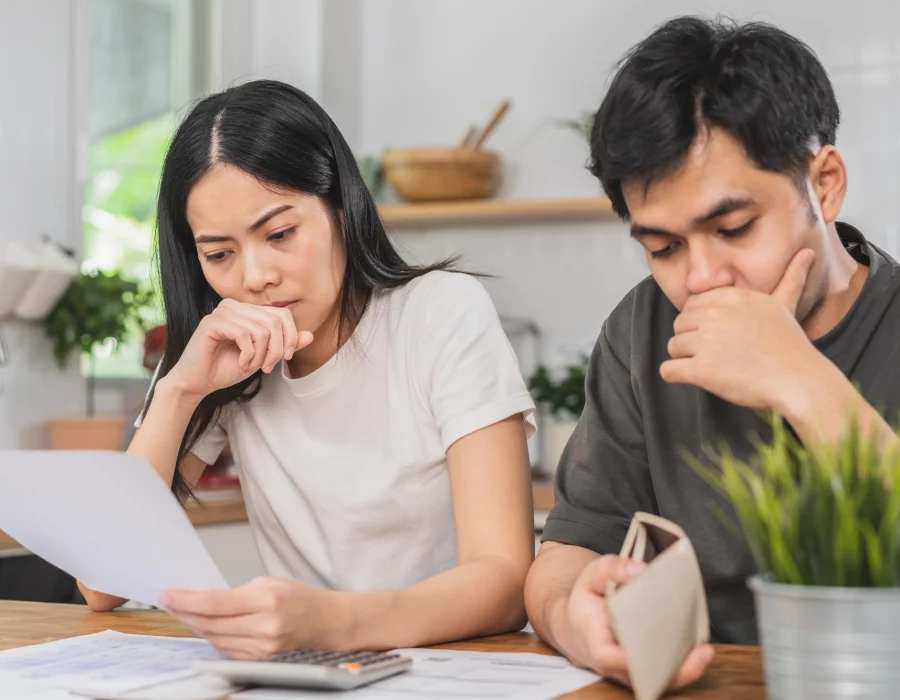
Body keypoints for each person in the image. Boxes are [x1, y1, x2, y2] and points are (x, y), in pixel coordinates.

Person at [78, 80, 537, 659]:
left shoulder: (439, 313)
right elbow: (102, 585)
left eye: (279, 234)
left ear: (341, 206)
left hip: (453, 672)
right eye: (219, 254)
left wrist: (336, 621)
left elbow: (503, 580)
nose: (255, 276)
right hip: (309, 679)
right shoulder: (221, 352)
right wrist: (178, 393)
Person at [525, 15, 900, 692]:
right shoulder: (641, 331)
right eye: (663, 247)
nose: (700, 279)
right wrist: (570, 613)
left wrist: (802, 380)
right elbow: (569, 549)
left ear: (825, 184)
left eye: (733, 228)